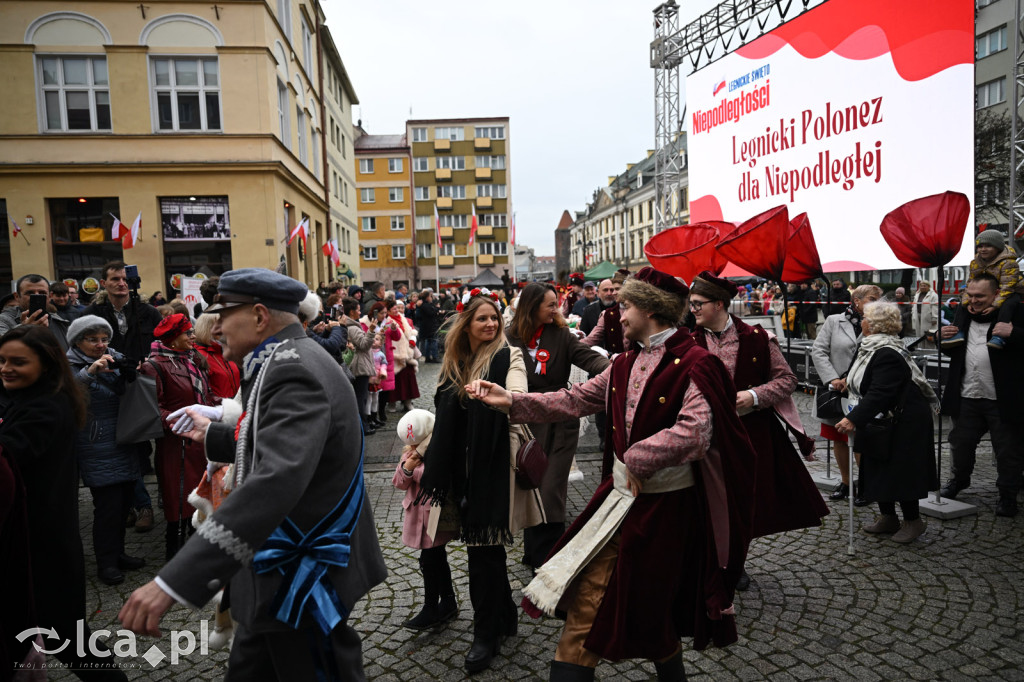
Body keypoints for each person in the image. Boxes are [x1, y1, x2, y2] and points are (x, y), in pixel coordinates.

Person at [467, 267, 756, 682]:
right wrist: (512, 400)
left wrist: (636, 458)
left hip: (669, 510)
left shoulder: (698, 362)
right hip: (620, 503)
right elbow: (576, 398)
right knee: (593, 598)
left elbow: (695, 433)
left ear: (651, 309)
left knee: (651, 602)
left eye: (626, 304)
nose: (617, 313)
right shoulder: (625, 362)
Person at [119, 268, 387, 681]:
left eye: (224, 314)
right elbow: (283, 443)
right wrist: (215, 436)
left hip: (299, 577)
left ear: (260, 316)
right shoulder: (287, 357)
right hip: (280, 574)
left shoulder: (291, 368)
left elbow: (275, 480)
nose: (214, 325)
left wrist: (173, 582)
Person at [416, 288, 543, 672]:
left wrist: (505, 396)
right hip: (457, 467)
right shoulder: (455, 362)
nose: (491, 324)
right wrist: (420, 452)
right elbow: (442, 418)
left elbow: (518, 390)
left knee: (481, 553)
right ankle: (504, 615)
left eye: (494, 318)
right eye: (482, 319)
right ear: (466, 325)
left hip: (492, 467)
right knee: (487, 553)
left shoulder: (510, 354)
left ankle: (485, 634)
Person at [0, 326, 129, 680]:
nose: (6, 368)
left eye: (18, 362)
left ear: (46, 364)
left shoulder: (43, 408)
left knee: (69, 641)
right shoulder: (39, 397)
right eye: (1, 360)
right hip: (39, 539)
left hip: (41, 544)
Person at [689, 271, 828, 590]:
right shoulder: (686, 341)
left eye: (698, 303)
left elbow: (787, 380)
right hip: (700, 435)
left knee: (742, 502)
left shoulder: (757, 338)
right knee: (701, 500)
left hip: (750, 433)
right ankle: (706, 560)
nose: (692, 309)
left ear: (720, 304)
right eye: (691, 303)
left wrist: (751, 396)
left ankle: (734, 563)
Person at [507, 283, 610, 569]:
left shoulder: (561, 335)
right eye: (551, 305)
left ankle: (548, 558)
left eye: (557, 303)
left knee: (551, 489)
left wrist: (617, 369)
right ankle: (533, 553)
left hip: (559, 422)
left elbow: (589, 358)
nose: (558, 309)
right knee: (530, 485)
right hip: (524, 424)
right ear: (531, 307)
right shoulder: (508, 338)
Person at [835, 301, 940, 542]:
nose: (861, 321)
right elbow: (863, 378)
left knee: (899, 470)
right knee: (876, 466)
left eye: (864, 318)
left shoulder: (887, 353)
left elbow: (881, 392)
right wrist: (845, 381)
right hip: (881, 417)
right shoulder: (871, 347)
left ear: (872, 325)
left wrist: (853, 419)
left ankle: (913, 521)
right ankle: (888, 517)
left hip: (903, 421)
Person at [65, 315, 146, 585]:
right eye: (93, 339)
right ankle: (106, 563)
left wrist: (133, 369)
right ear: (77, 341)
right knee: (107, 508)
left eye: (104, 339)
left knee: (123, 504)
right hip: (95, 444)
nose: (100, 345)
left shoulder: (115, 356)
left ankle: (119, 553)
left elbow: (131, 383)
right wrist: (89, 374)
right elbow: (65, 395)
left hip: (123, 437)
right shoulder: (68, 364)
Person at [938, 273, 1024, 516]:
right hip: (967, 395)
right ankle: (959, 481)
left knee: (1008, 451)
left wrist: (1014, 333)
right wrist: (939, 338)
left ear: (996, 295)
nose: (973, 301)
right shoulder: (963, 314)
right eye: (970, 295)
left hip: (1003, 399)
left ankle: (1008, 496)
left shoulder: (1015, 314)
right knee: (960, 444)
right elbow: (952, 351)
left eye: (980, 296)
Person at [141, 313, 215, 560]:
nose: (193, 336)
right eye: (187, 333)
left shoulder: (193, 358)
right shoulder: (154, 366)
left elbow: (206, 395)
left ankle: (198, 548)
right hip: (176, 443)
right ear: (173, 338)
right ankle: (176, 553)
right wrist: (180, 420)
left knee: (200, 493)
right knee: (178, 498)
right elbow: (153, 407)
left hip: (200, 440)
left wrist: (222, 409)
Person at [811, 284, 883, 503]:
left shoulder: (880, 323)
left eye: (878, 299)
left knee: (863, 438)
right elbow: (819, 350)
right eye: (872, 298)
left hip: (863, 391)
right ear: (857, 300)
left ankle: (867, 484)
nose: (876, 303)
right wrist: (832, 379)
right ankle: (845, 482)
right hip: (836, 391)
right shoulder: (834, 321)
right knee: (839, 437)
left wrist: (852, 380)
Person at [392, 409, 459, 631]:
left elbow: (435, 475)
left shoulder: (436, 452)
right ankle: (448, 602)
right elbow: (399, 482)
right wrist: (406, 467)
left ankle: (431, 607)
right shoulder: (410, 454)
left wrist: (413, 468)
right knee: (436, 559)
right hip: (417, 516)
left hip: (434, 517)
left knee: (431, 560)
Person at [943, 229, 1024, 350]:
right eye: (980, 246)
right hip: (990, 288)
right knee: (962, 304)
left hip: (1013, 289)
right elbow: (971, 282)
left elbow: (1008, 286)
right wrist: (966, 301)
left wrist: (995, 305)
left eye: (988, 246)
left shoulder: (1008, 262)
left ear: (998, 247)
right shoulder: (975, 262)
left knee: (1008, 304)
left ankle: (999, 335)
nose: (983, 249)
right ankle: (957, 332)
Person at [83, 261, 163, 364]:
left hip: (143, 375)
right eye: (115, 279)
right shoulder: (90, 314)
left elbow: (164, 345)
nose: (121, 284)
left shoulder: (150, 312)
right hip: (105, 375)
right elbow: (79, 349)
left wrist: (152, 361)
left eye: (126, 279)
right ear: (103, 283)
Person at [0, 273, 71, 349]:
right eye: (30, 293)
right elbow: (4, 347)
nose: (37, 296)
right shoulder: (4, 320)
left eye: (42, 293)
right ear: (17, 296)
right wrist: (24, 329)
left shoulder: (59, 322)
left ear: (50, 296)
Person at [342, 296, 378, 434]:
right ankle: (362, 427)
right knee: (360, 398)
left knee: (361, 398)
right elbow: (364, 345)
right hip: (359, 367)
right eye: (358, 310)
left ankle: (363, 425)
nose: (360, 312)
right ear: (351, 312)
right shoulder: (353, 328)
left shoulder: (350, 326)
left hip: (358, 366)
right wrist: (371, 331)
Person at [193, 312, 241, 400]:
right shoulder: (199, 355)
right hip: (219, 409)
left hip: (234, 407)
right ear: (208, 328)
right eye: (220, 324)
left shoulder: (224, 350)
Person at [387, 300, 420, 413]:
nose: (398, 310)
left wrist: (412, 340)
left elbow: (412, 332)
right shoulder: (387, 321)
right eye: (395, 308)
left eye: (400, 308)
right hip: (395, 353)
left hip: (408, 352)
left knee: (408, 378)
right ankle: (392, 402)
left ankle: (407, 402)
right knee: (395, 379)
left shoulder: (406, 320)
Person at [416, 288, 441, 362]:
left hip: (428, 326)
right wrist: (437, 309)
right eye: (430, 296)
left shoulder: (424, 304)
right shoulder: (425, 305)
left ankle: (428, 357)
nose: (431, 298)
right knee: (433, 341)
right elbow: (431, 313)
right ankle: (434, 357)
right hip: (430, 326)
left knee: (429, 341)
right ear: (427, 297)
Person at [912, 281, 939, 346]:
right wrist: (913, 315)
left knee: (928, 335)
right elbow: (913, 305)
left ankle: (929, 350)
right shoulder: (917, 294)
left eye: (924, 285)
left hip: (928, 318)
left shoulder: (933, 295)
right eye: (921, 285)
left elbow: (935, 306)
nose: (922, 287)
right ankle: (920, 348)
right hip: (918, 316)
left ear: (928, 286)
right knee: (919, 335)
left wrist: (934, 318)